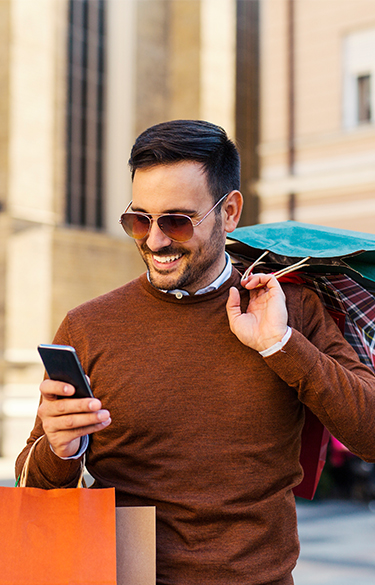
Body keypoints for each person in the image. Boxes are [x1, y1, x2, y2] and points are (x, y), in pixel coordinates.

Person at [16, 120, 375, 585]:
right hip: (123, 578)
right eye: (138, 219)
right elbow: (32, 485)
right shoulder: (88, 326)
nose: (155, 240)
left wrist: (281, 345)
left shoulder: (290, 309)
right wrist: (61, 449)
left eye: (177, 221)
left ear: (229, 213)